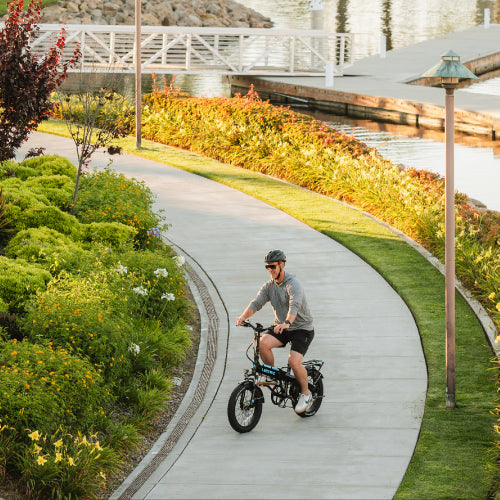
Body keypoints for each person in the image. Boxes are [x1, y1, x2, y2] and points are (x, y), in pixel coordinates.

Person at [236, 250, 315, 414]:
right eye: (267, 267)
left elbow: (295, 305)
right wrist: (243, 317)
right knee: (261, 344)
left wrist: (287, 322)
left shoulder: (293, 284)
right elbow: (256, 303)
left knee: (294, 362)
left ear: (282, 265)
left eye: (273, 266)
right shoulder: (269, 286)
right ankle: (272, 375)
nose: (270, 270)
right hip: (281, 326)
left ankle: (305, 393)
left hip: (301, 328)